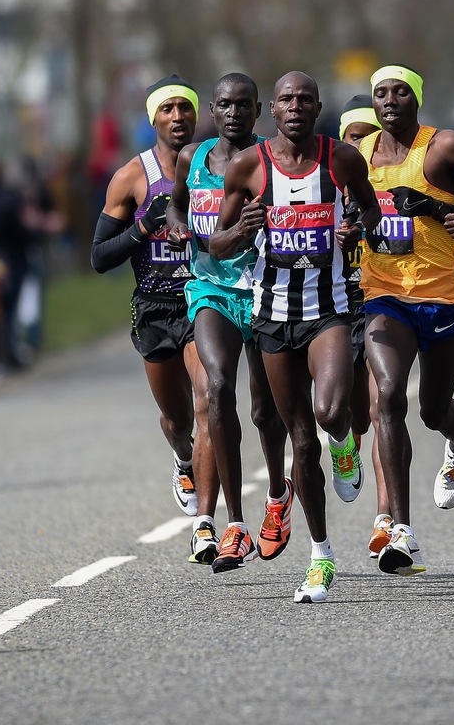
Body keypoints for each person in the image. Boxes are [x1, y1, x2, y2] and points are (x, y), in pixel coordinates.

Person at [216, 71, 380, 603]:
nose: (294, 106)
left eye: (304, 99)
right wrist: (242, 231)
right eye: (286, 98)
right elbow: (216, 243)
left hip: (328, 310)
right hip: (271, 316)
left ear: (317, 107)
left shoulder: (342, 160)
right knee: (298, 438)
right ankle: (321, 556)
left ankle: (347, 444)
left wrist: (357, 224)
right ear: (272, 109)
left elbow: (371, 210)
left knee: (332, 413)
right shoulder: (249, 165)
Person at [356, 64, 454, 576]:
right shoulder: (356, 156)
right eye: (380, 93)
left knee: (431, 410)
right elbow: (341, 208)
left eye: (400, 91)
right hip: (383, 293)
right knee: (386, 395)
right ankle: (401, 530)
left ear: (417, 99)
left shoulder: (445, 146)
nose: (389, 100)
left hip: (442, 295)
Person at [166, 73, 290, 569]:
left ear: (258, 110)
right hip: (209, 288)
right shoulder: (191, 158)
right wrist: (177, 226)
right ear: (213, 111)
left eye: (243, 105)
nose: (234, 112)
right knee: (217, 388)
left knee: (265, 410)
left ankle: (278, 496)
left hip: (264, 289)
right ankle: (234, 524)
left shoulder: (272, 159)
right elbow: (177, 204)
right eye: (224, 105)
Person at [90, 75, 208, 519]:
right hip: (156, 306)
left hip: (203, 298)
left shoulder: (216, 165)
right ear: (153, 118)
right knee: (178, 421)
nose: (177, 116)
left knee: (208, 400)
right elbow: (99, 257)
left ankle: (210, 521)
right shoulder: (132, 177)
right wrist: (143, 227)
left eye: (185, 107)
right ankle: (182, 459)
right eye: (167, 109)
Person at [337, 94, 384, 557]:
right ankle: (343, 446)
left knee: (381, 406)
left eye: (370, 136)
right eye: (354, 137)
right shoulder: (327, 181)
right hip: (336, 307)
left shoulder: (385, 186)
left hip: (381, 304)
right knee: (349, 416)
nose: (363, 146)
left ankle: (384, 518)